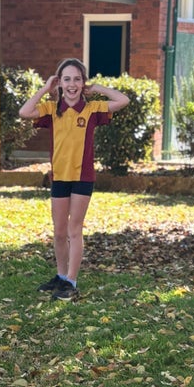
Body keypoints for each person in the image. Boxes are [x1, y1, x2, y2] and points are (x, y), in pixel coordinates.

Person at [19, 58, 129, 301]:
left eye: (77, 79)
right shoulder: (51, 109)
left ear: (83, 83)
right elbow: (25, 112)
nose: (72, 84)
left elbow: (123, 100)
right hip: (59, 178)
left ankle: (71, 281)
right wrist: (45, 89)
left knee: (74, 230)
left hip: (82, 177)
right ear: (60, 83)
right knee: (59, 232)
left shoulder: (92, 109)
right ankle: (60, 276)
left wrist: (97, 88)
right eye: (66, 79)